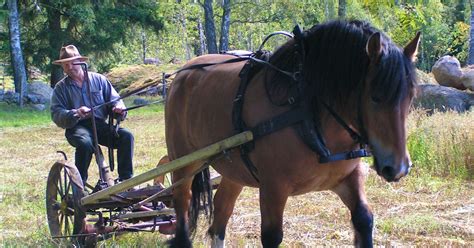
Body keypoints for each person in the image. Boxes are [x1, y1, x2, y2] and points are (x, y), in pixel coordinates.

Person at [50, 45, 134, 184]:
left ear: (80, 61)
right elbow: (57, 114)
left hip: (100, 126)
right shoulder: (61, 88)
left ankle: (126, 181)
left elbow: (116, 101)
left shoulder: (99, 80)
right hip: (76, 128)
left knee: (126, 137)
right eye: (65, 65)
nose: (70, 67)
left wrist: (118, 108)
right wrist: (75, 113)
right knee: (85, 144)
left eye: (72, 62)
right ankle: (79, 185)